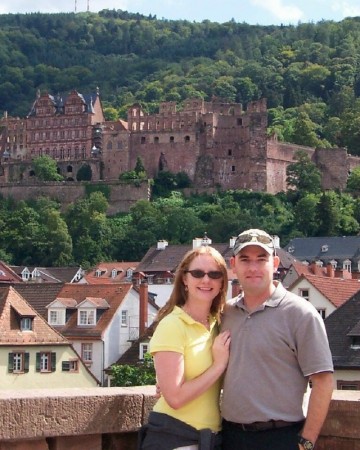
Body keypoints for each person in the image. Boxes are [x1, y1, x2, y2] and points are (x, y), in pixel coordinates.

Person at [221, 228, 334, 450]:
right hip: (230, 437)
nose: (253, 267)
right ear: (233, 265)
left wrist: (306, 441)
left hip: (281, 438)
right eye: (245, 260)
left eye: (260, 259)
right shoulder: (226, 313)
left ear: (274, 263)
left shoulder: (301, 313)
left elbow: (323, 382)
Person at [139, 245, 231, 450]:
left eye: (214, 274)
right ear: (184, 279)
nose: (206, 280)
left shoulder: (220, 323)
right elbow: (175, 398)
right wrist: (218, 365)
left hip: (209, 439)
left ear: (222, 281)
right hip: (175, 437)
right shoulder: (173, 325)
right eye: (198, 273)